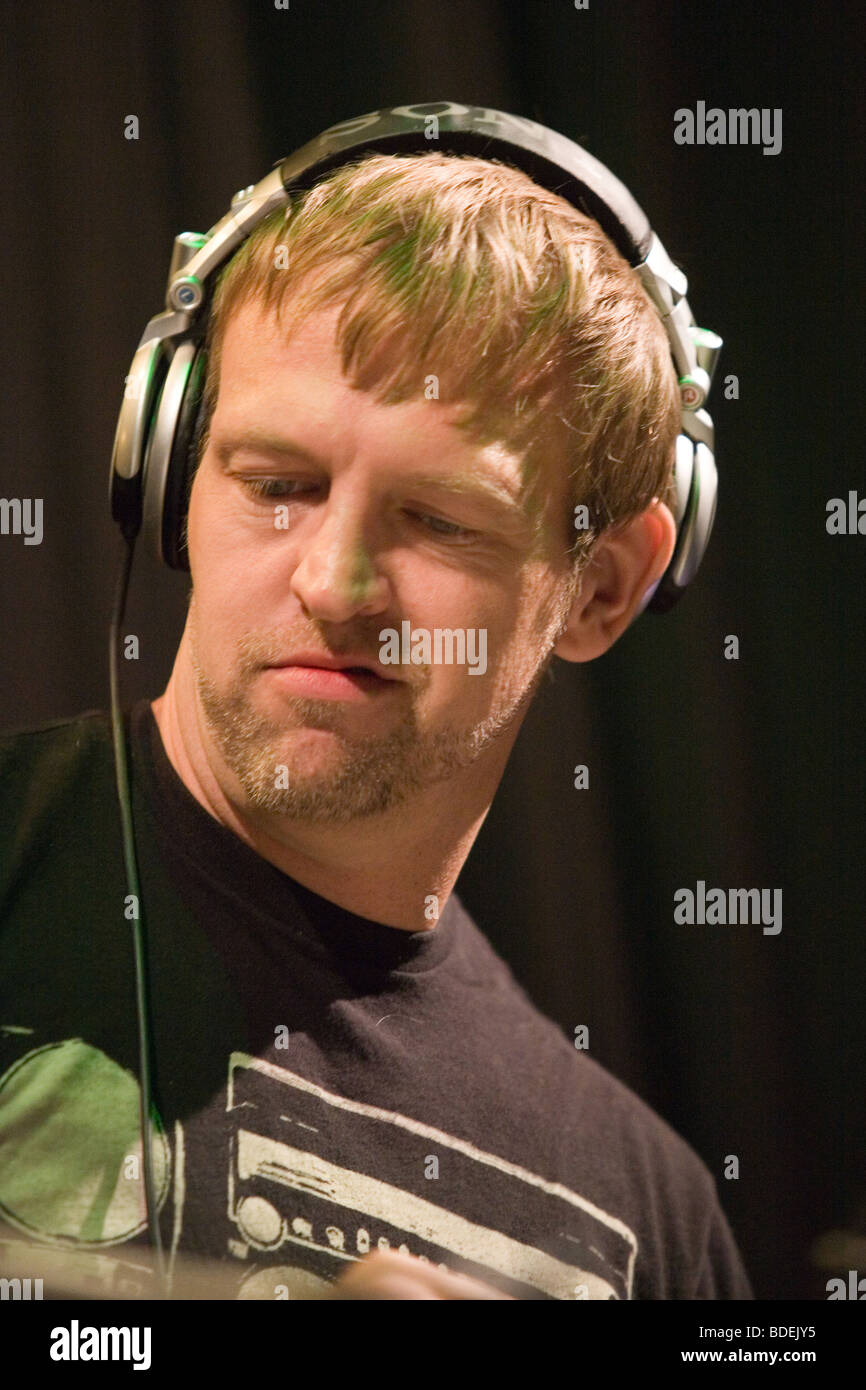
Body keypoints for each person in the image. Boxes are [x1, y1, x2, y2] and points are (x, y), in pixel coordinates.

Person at [0, 150, 752, 1300]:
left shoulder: (650, 1221)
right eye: (277, 484)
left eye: (438, 520)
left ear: (601, 587)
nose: (337, 584)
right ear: (168, 471)